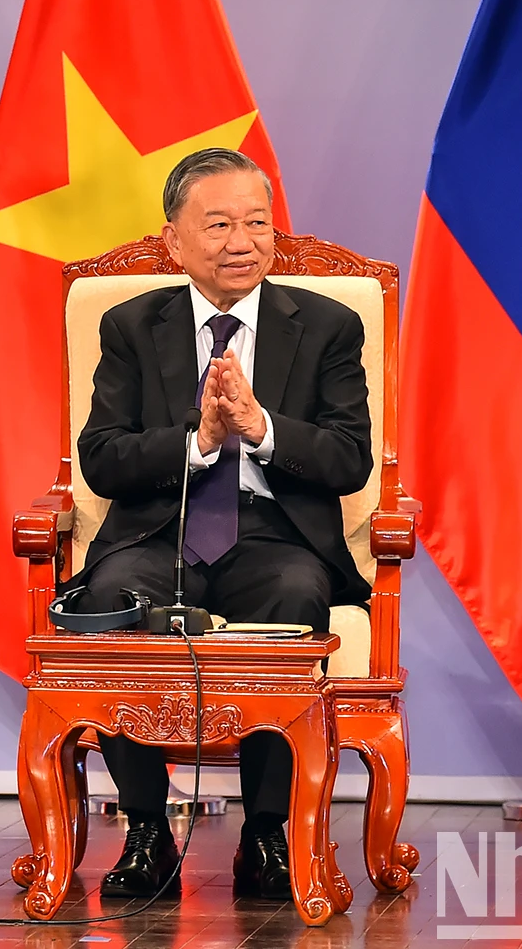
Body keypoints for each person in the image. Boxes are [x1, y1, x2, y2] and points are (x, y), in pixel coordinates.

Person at [66, 147, 373, 901]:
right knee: (116, 602)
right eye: (220, 224)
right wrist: (198, 442)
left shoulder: (327, 326)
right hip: (156, 532)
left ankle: (267, 833)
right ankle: (144, 829)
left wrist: (261, 425)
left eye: (258, 222)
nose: (243, 241)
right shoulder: (132, 326)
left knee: (298, 594)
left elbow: (349, 459)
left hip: (275, 535)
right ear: (173, 240)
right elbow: (102, 460)